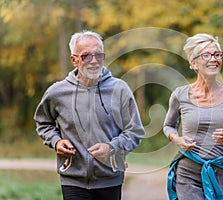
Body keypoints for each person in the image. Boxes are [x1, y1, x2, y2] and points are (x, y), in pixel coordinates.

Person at [34, 30, 145, 200]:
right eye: (86, 56)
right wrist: (57, 142)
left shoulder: (119, 89)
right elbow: (44, 124)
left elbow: (135, 130)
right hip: (73, 179)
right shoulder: (57, 92)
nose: (94, 61)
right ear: (74, 60)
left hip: (110, 178)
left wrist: (112, 148)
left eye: (99, 55)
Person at [164, 33, 223, 200]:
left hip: (222, 171)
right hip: (188, 172)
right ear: (193, 63)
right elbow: (168, 126)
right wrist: (176, 139)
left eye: (217, 54)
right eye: (206, 55)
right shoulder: (180, 94)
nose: (214, 59)